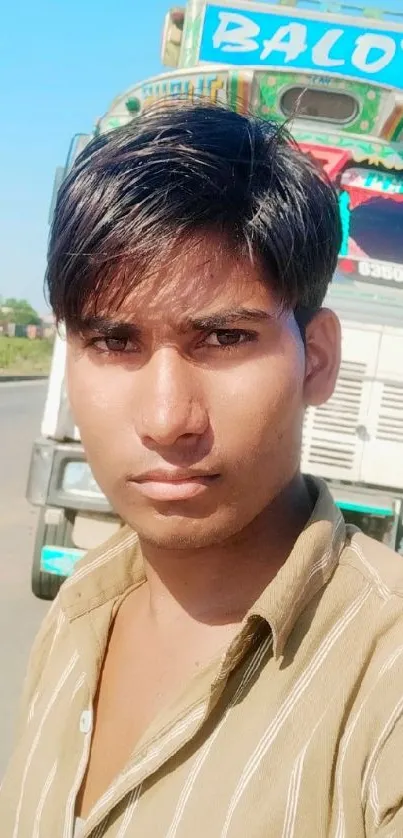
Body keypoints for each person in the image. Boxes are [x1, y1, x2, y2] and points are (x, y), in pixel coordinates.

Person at [2, 102, 403, 838]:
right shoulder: (77, 616)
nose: (166, 418)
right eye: (114, 341)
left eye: (223, 336)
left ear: (315, 359)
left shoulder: (384, 682)